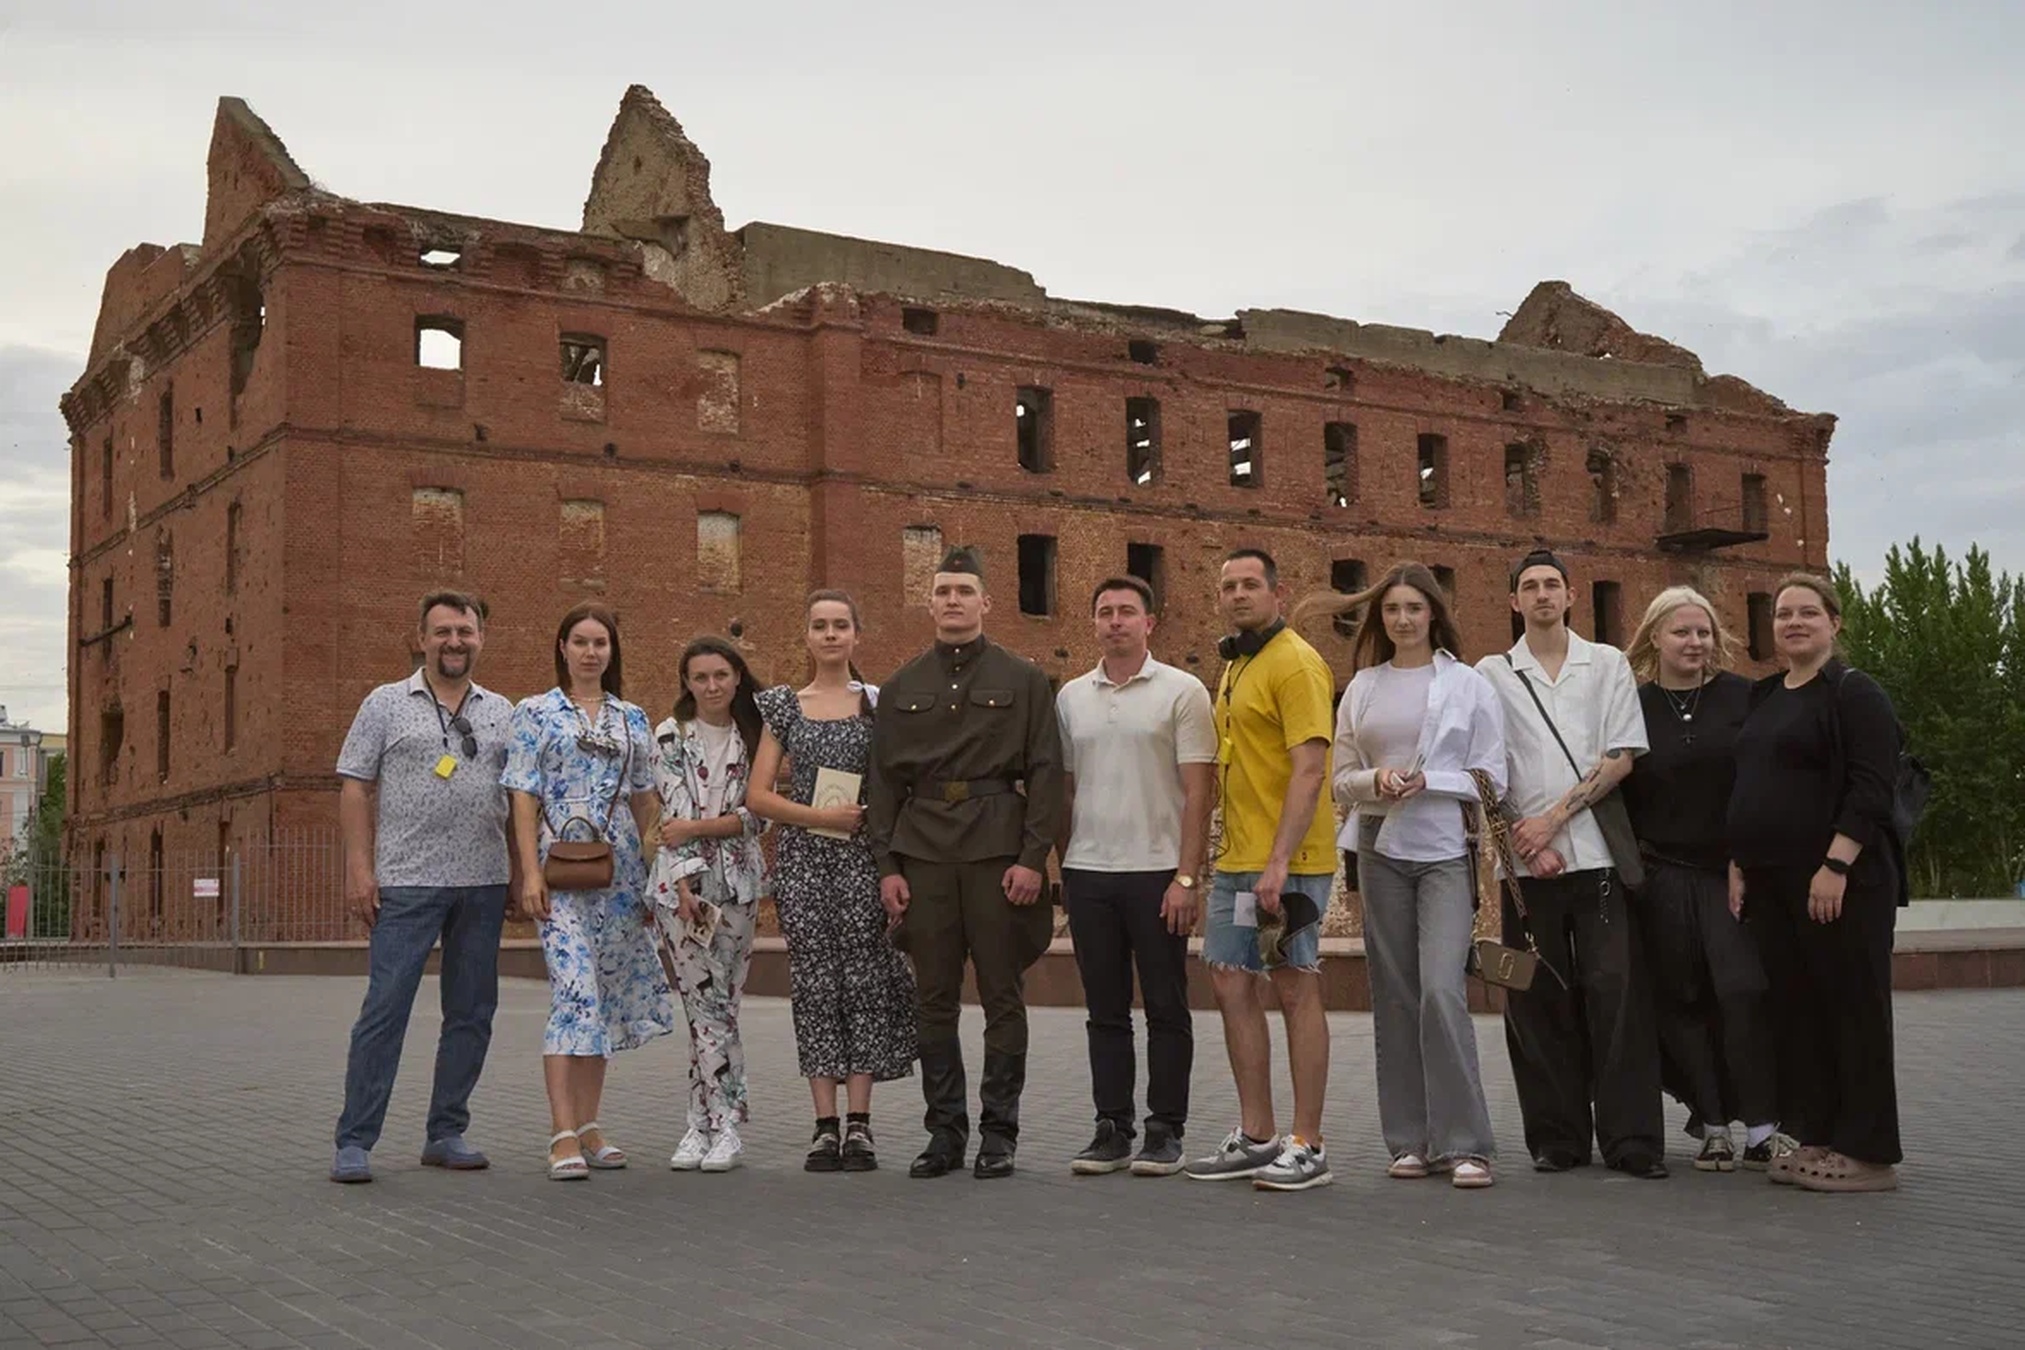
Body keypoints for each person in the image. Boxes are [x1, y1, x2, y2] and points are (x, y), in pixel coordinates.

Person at [866, 547, 1062, 1180]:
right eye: (944, 591)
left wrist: (1033, 857)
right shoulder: (901, 686)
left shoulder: (1024, 679)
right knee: (934, 1000)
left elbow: (1046, 772)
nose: (953, 600)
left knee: (1002, 996)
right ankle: (944, 1133)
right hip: (923, 853)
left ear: (986, 603)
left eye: (964, 591)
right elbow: (883, 783)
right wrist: (888, 866)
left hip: (997, 853)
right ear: (930, 604)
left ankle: (999, 1134)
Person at [1309, 562, 1503, 1190]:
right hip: (1378, 846)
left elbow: (1492, 777)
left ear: (1433, 614)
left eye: (1414, 608)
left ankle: (1466, 1142)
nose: (1402, 619)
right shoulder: (1363, 687)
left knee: (1442, 990)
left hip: (1444, 848)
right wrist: (1378, 779)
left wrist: (1429, 780)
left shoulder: (1468, 684)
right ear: (1380, 618)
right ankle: (1410, 1139)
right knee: (1395, 995)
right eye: (1392, 609)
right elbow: (1341, 779)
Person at [1477, 549, 1666, 1178]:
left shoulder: (1606, 663)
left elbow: (1621, 757)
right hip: (1526, 869)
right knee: (1535, 1001)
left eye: (1552, 584)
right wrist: (1526, 844)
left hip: (1598, 858)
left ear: (1570, 595)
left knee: (1617, 996)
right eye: (1529, 586)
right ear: (1514, 602)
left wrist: (1553, 821)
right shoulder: (1492, 673)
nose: (1542, 594)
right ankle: (1556, 1137)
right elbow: (1485, 772)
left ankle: (1631, 1140)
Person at [329, 592, 517, 1184]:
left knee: (472, 1012)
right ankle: (355, 1140)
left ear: (481, 638)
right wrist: (360, 870)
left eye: (464, 631)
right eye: (442, 632)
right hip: (406, 883)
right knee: (385, 1009)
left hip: (483, 882)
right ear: (421, 638)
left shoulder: (503, 711)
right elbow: (355, 786)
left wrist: (521, 872)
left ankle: (446, 1131)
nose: (454, 642)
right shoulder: (385, 703)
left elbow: (521, 798)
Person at [1729, 573, 1904, 1193]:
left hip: (1840, 882)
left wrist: (1836, 866)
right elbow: (1748, 783)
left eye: (1808, 612)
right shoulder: (1765, 694)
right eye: (1784, 614)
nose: (1794, 623)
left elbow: (1872, 785)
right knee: (1800, 1014)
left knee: (1853, 1011)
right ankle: (1819, 1138)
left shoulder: (1854, 693)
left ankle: (1869, 1154)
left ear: (1835, 622)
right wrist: (1738, 861)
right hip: (1773, 885)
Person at [503, 603, 674, 1181]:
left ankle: (591, 1124)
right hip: (558, 867)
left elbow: (646, 801)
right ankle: (561, 1132)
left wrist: (654, 877)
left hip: (619, 872)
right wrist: (528, 872)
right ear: (562, 647)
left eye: (600, 642)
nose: (590, 652)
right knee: (573, 992)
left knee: (601, 998)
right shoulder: (535, 712)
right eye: (580, 641)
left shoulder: (631, 718)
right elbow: (522, 795)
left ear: (612, 651)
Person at [1183, 548, 1337, 1193]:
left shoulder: (1295, 663)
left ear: (1279, 592)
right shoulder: (1236, 663)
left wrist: (1278, 863)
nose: (1239, 594)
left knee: (1294, 986)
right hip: (1237, 861)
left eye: (1251, 584)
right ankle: (1257, 1135)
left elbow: (1310, 768)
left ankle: (1308, 1144)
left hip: (1287, 863)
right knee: (1228, 979)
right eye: (1229, 586)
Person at [748, 592, 917, 1174]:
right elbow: (758, 795)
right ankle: (824, 1124)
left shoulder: (876, 704)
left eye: (840, 625)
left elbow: (896, 782)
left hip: (863, 860)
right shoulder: (784, 708)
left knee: (865, 982)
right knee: (816, 986)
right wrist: (820, 816)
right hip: (804, 861)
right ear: (806, 635)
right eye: (819, 625)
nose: (829, 635)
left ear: (856, 635)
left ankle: (860, 1122)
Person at [1055, 576, 1216, 1177]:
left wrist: (1187, 878)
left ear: (1150, 622)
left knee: (1167, 1006)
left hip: (1158, 872)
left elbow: (1199, 792)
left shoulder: (1182, 691)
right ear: (1094, 623)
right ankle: (1112, 1127)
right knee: (1105, 1010)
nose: (1115, 621)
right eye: (1105, 612)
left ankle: (1165, 1129)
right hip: (1089, 871)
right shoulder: (1071, 697)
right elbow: (1064, 789)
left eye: (1127, 612)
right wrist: (1066, 866)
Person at [1621, 586, 1782, 1172]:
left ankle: (1763, 1126)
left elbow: (1763, 782)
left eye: (1704, 631)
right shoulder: (1632, 705)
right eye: (1682, 632)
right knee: (1681, 1000)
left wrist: (1747, 855)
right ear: (1655, 637)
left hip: (1728, 873)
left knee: (1742, 990)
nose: (1695, 642)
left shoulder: (1744, 697)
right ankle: (1713, 1125)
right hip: (1662, 875)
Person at [650, 636, 770, 1174]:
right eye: (700, 677)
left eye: (721, 675)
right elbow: (672, 820)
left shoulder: (757, 735)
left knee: (720, 1008)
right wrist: (683, 889)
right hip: (684, 891)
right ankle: (724, 1126)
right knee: (705, 1008)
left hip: (740, 887)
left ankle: (699, 1125)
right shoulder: (670, 735)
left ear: (737, 676)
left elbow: (758, 817)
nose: (712, 686)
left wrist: (702, 827)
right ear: (687, 683)